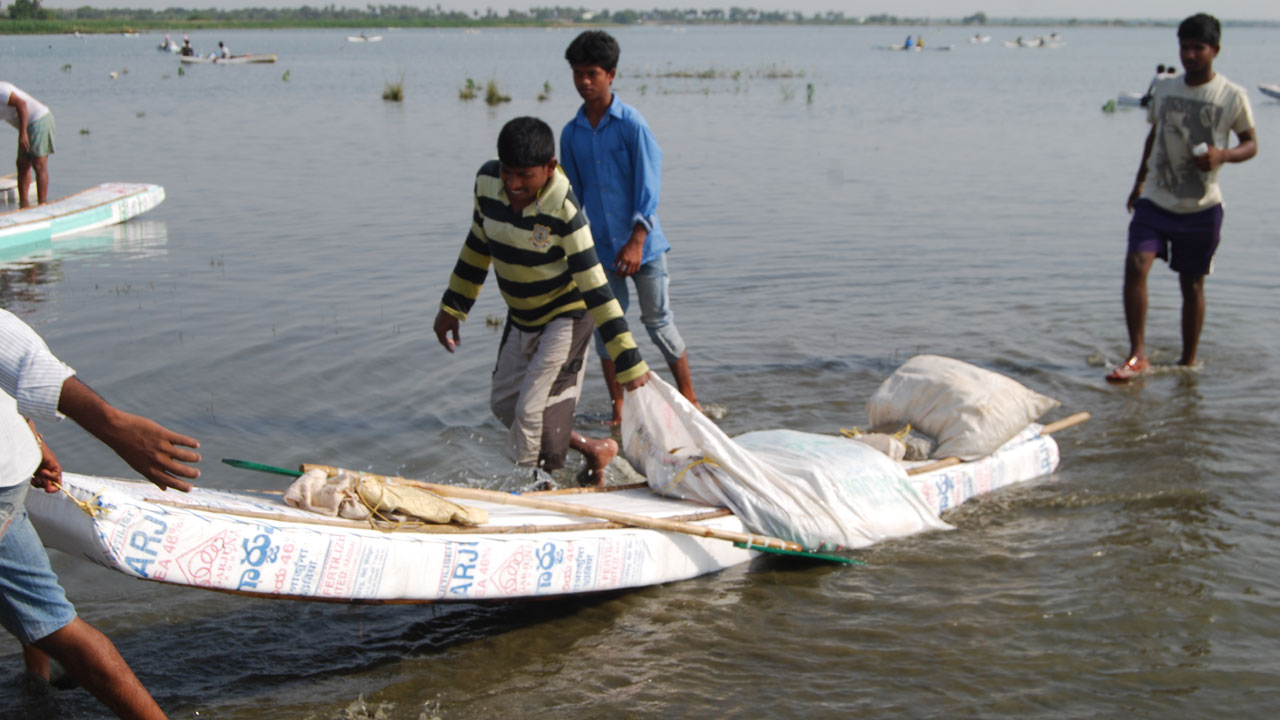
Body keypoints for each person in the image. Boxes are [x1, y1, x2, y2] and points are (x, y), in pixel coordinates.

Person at [0, 308, 202, 719]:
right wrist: (31, 436)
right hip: (8, 464)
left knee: (54, 625)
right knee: (35, 607)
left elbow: (14, 351)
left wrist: (114, 426)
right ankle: (36, 685)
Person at [433, 116, 652, 485]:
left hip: (566, 315)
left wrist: (628, 360)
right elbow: (477, 244)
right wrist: (453, 307)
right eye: (507, 172)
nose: (513, 184)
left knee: (532, 411)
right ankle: (594, 449)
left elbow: (598, 289)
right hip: (522, 314)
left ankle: (539, 490)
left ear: (550, 168)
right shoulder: (487, 184)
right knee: (505, 405)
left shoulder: (565, 212)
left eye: (524, 175)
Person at [560, 30, 702, 427]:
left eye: (592, 73)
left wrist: (637, 241)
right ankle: (619, 407)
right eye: (578, 74)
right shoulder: (571, 134)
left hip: (646, 247)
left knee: (658, 323)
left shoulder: (631, 125)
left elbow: (649, 187)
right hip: (601, 251)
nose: (584, 82)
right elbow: (571, 195)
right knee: (608, 328)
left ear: (611, 74)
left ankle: (689, 397)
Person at [1108, 13, 1257, 382]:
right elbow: (1153, 136)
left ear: (1214, 50)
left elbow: (1251, 144)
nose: (1190, 54)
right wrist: (1139, 181)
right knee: (1136, 264)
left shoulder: (1231, 95)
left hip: (1201, 206)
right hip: (1155, 199)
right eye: (1184, 46)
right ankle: (1137, 355)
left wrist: (1222, 156)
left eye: (1198, 47)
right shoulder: (1166, 89)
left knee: (1191, 284)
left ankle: (1188, 362)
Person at [0, 82, 54, 208]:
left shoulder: (1, 90)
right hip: (26, 125)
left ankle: (42, 204)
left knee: (38, 164)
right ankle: (24, 204)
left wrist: (23, 133)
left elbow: (21, 104)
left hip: (39, 119)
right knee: (22, 164)